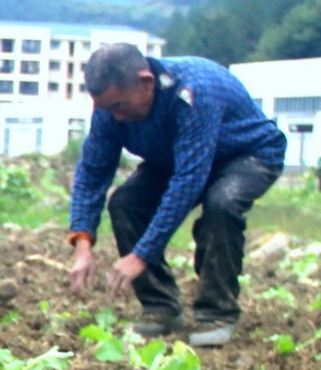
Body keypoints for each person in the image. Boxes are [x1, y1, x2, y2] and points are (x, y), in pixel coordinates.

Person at [63, 43, 285, 347]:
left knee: (221, 204)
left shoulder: (194, 93)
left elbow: (189, 181)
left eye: (119, 106)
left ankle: (217, 312)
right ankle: (161, 306)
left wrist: (140, 255)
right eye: (106, 108)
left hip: (245, 155)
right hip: (174, 158)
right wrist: (83, 244)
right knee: (125, 204)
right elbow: (92, 170)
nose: (115, 116)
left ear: (146, 82)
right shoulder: (109, 111)